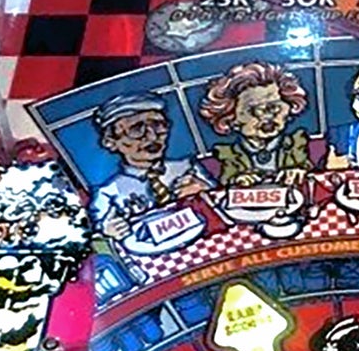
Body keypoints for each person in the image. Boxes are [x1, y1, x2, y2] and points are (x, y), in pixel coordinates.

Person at [90, 95, 205, 239]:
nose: (152, 137)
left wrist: (205, 192)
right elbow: (98, 235)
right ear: (110, 142)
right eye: (136, 130)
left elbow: (223, 203)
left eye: (158, 126)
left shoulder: (188, 168)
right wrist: (107, 232)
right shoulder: (108, 193)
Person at [197, 60, 320, 184]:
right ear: (230, 118)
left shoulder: (298, 143)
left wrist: (301, 172)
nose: (267, 116)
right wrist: (237, 181)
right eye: (253, 110)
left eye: (274, 107)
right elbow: (222, 183)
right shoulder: (225, 156)